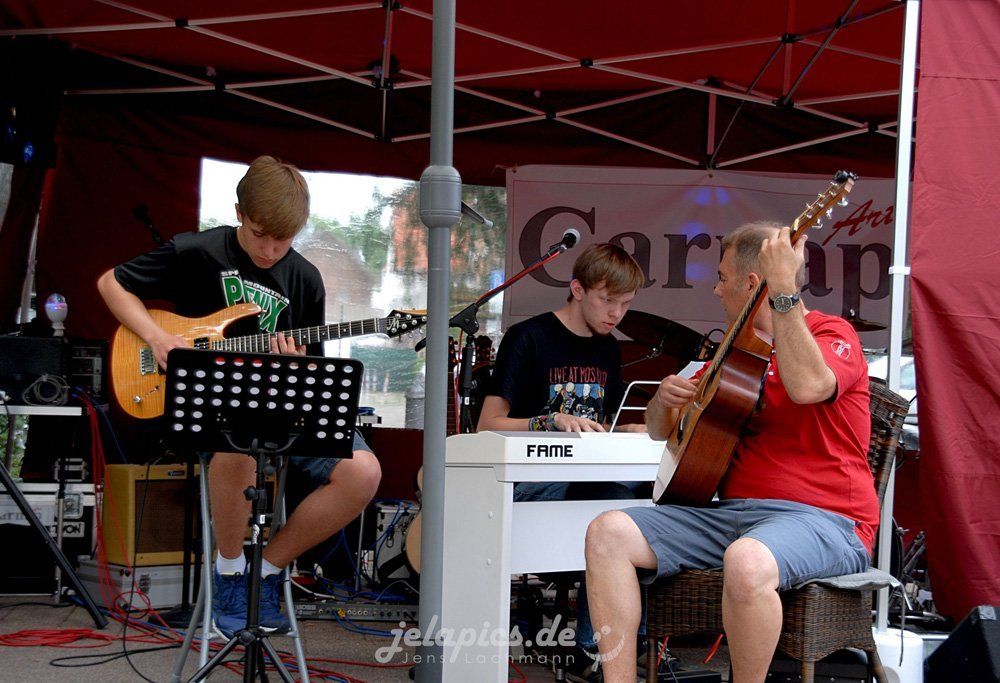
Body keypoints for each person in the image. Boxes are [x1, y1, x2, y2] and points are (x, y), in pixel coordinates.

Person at [96, 156, 381, 636]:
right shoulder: (197, 251)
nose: (269, 250)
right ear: (238, 214)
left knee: (363, 472)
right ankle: (228, 572)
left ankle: (263, 574)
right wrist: (158, 337)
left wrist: (297, 366)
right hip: (214, 405)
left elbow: (313, 370)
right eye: (259, 235)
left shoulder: (305, 279)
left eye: (282, 240)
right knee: (237, 444)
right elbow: (112, 283)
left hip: (284, 405)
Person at [585, 222, 876, 683]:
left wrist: (783, 290)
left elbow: (808, 386)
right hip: (733, 516)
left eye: (722, 277)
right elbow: (662, 431)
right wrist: (663, 400)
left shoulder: (830, 332)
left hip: (827, 520)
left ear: (752, 283)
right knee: (608, 533)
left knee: (747, 559)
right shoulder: (736, 353)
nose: (716, 289)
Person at [476, 242, 647, 681]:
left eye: (625, 304)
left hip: (586, 481)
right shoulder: (529, 337)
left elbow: (600, 428)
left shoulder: (608, 349)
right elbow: (487, 425)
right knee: (614, 504)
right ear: (577, 289)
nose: (616, 314)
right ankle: (596, 648)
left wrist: (624, 431)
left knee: (642, 503)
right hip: (528, 485)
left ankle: (619, 645)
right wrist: (548, 421)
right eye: (607, 300)